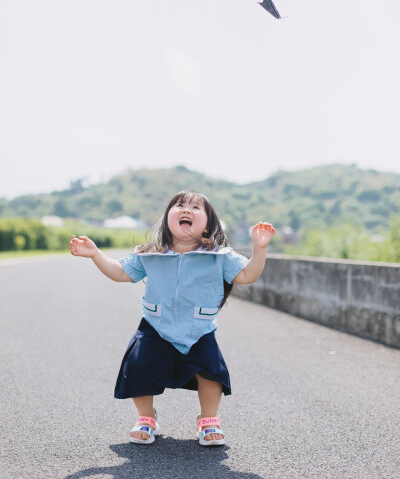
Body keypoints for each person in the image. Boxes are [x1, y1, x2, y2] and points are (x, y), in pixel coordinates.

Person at [69, 189, 275, 446]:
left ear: (209, 224)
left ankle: (208, 420)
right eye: (179, 205)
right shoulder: (151, 253)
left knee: (211, 373)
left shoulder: (219, 255)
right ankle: (146, 417)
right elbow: (121, 272)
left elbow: (247, 275)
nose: (186, 210)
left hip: (199, 327)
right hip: (156, 325)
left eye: (195, 208)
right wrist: (96, 254)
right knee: (139, 366)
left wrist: (260, 248)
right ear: (168, 218)